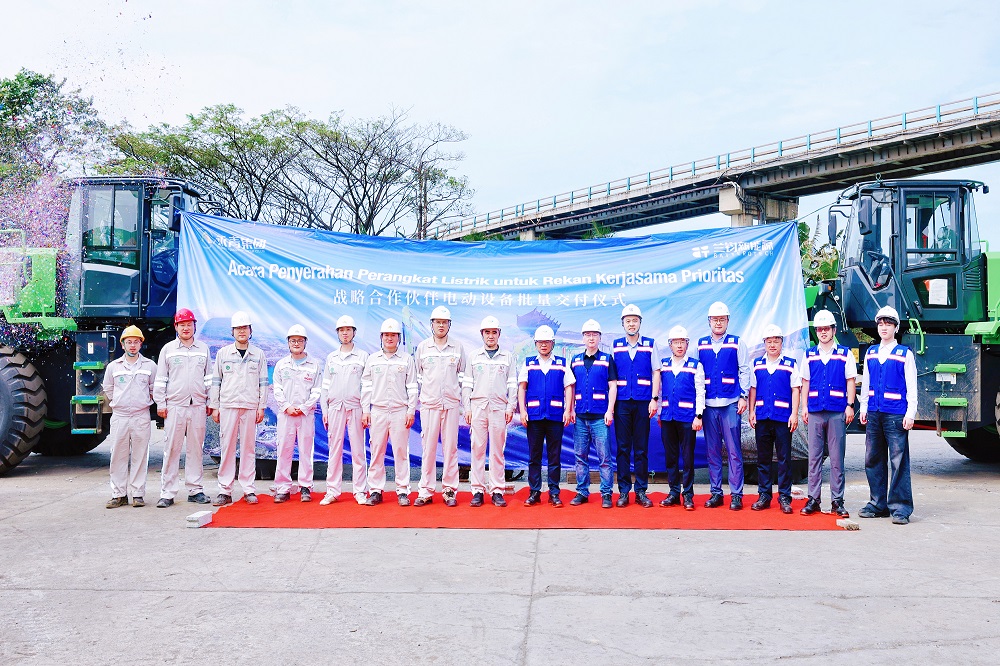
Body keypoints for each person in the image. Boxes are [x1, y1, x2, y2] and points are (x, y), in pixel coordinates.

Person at [859, 305, 916, 525]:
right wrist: (864, 408)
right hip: (874, 413)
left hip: (896, 415)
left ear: (896, 328)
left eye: (888, 324)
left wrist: (910, 413)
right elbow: (866, 383)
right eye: (881, 324)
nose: (884, 327)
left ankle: (901, 508)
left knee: (898, 461)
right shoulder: (871, 352)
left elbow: (912, 386)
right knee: (873, 459)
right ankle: (878, 504)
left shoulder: (904, 354)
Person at [153, 308, 211, 508]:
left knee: (196, 450)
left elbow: (209, 378)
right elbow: (161, 379)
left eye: (189, 324)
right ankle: (167, 493)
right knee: (172, 449)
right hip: (175, 407)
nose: (186, 328)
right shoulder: (168, 349)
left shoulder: (203, 349)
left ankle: (195, 490)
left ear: (195, 326)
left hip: (198, 406)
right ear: (176, 327)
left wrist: (210, 402)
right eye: (182, 325)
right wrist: (161, 403)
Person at [800, 309, 856, 517]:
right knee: (813, 458)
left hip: (836, 411)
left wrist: (850, 405)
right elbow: (805, 382)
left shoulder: (844, 354)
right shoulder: (809, 355)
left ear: (834, 330)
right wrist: (804, 407)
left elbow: (851, 380)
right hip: (815, 410)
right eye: (819, 329)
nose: (823, 332)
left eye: (826, 328)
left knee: (836, 459)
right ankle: (813, 500)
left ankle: (837, 501)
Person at [209, 311, 268, 507]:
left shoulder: (258, 354)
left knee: (248, 448)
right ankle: (224, 490)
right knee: (227, 448)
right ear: (232, 331)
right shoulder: (223, 354)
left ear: (250, 331)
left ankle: (248, 489)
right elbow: (216, 381)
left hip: (250, 406)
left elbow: (263, 383)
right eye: (238, 328)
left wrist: (261, 406)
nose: (242, 331)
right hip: (228, 405)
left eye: (245, 328)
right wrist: (215, 406)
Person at [698, 301, 750, 511]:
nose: (718, 323)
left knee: (734, 451)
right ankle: (716, 493)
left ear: (728, 321)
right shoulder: (701, 344)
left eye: (722, 319)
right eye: (715, 319)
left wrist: (743, 396)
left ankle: (736, 494)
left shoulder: (737, 343)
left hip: (730, 404)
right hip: (709, 405)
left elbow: (744, 370)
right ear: (709, 321)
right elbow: (697, 376)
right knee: (712, 452)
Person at [361, 318, 418, 506]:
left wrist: (411, 410)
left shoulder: (406, 359)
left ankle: (402, 491)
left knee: (401, 452)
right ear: (381, 337)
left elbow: (412, 387)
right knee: (376, 451)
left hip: (400, 411)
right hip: (378, 411)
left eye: (393, 335)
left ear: (399, 338)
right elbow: (366, 387)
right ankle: (375, 490)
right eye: (386, 335)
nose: (390, 338)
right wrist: (365, 410)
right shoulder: (373, 360)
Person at [414, 306, 467, 507]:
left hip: (451, 405)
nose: (441, 325)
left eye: (444, 322)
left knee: (450, 448)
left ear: (449, 325)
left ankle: (449, 490)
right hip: (429, 405)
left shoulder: (457, 347)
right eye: (438, 322)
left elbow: (462, 377)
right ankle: (426, 490)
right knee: (428, 448)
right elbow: (418, 377)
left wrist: (457, 398)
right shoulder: (423, 348)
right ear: (432, 324)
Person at [462, 315, 517, 507]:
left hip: (499, 409)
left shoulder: (507, 357)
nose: (491, 336)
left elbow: (512, 385)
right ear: (482, 334)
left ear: (499, 334)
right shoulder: (474, 357)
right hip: (478, 408)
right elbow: (467, 385)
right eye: (487, 332)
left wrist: (510, 407)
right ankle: (477, 490)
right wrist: (467, 408)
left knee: (497, 451)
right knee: (477, 449)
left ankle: (497, 490)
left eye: (494, 332)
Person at [518, 325, 574, 507]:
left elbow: (569, 387)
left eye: (547, 342)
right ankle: (534, 492)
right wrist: (523, 411)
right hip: (534, 417)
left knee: (554, 456)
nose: (543, 345)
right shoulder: (528, 363)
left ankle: (554, 493)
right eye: (540, 342)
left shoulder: (562, 363)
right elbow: (522, 387)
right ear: (535, 344)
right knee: (534, 456)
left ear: (553, 343)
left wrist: (568, 410)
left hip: (555, 416)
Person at [748, 325, 800, 514]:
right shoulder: (756, 364)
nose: (772, 345)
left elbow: (796, 389)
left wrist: (794, 414)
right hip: (762, 417)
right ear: (764, 343)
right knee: (763, 458)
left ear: (781, 342)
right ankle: (764, 495)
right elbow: (753, 389)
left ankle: (784, 497)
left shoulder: (790, 364)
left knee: (784, 459)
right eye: (769, 341)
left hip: (783, 418)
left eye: (776, 341)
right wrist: (751, 411)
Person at [104, 325, 157, 508]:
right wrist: (120, 402)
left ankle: (138, 494)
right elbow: (108, 389)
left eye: (136, 342)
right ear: (123, 345)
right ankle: (118, 495)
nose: (132, 345)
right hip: (120, 416)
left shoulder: (150, 366)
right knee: (117, 455)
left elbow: (154, 389)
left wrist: (142, 402)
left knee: (140, 456)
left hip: (141, 415)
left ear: (141, 344)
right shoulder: (113, 367)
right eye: (129, 342)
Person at [612, 304, 659, 508]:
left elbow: (656, 371)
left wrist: (654, 399)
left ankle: (641, 491)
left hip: (642, 402)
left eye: (635, 320)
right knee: (623, 448)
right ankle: (623, 491)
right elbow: (611, 377)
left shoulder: (650, 344)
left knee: (641, 449)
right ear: (623, 324)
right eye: (628, 321)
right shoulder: (615, 346)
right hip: (622, 403)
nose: (631, 324)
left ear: (640, 322)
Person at [320, 315, 369, 506]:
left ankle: (360, 491)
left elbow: (367, 387)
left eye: (348, 329)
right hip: (335, 408)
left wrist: (366, 410)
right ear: (337, 333)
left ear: (354, 332)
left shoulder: (363, 356)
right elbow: (325, 386)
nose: (345, 333)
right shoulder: (331, 357)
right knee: (334, 450)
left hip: (355, 407)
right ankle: (332, 490)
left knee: (358, 451)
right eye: (341, 330)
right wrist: (325, 409)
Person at [569, 319, 617, 509]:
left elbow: (613, 386)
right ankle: (582, 491)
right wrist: (570, 409)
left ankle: (606, 493)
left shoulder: (607, 359)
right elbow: (570, 387)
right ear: (583, 338)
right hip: (580, 417)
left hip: (600, 417)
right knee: (580, 457)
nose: (591, 338)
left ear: (599, 337)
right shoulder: (575, 360)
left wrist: (610, 410)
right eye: (588, 335)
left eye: (594, 335)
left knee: (604, 458)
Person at [272, 325, 322, 503]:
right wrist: (286, 406)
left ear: (305, 342)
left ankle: (305, 486)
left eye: (300, 340)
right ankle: (282, 488)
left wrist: (305, 407)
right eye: (293, 340)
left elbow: (317, 390)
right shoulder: (281, 365)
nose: (296, 343)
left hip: (305, 415)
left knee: (305, 451)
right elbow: (277, 389)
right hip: (286, 415)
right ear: (288, 342)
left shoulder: (314, 365)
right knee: (284, 450)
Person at [658, 325, 705, 511]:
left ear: (687, 344)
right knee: (671, 457)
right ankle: (673, 492)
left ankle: (688, 495)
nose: (679, 345)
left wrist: (698, 415)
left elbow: (700, 392)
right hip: (667, 418)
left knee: (687, 458)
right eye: (675, 342)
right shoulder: (663, 365)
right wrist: (660, 412)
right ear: (670, 345)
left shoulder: (695, 365)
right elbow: (659, 390)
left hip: (687, 419)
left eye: (682, 342)